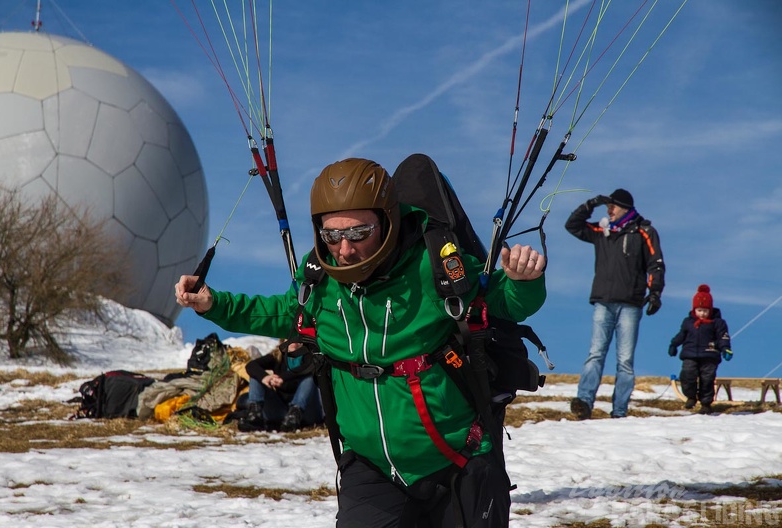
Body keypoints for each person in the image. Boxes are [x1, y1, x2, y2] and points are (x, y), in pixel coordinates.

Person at [175, 157, 547, 527]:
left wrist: (524, 281)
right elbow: (277, 313)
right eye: (331, 235)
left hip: (457, 463)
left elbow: (505, 303)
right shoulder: (318, 280)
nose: (344, 249)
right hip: (371, 469)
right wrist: (212, 303)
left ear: (387, 221)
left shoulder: (431, 266)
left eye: (357, 233)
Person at [565, 189, 665, 419]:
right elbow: (572, 225)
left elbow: (656, 264)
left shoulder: (644, 231)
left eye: (613, 206)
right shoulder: (602, 231)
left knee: (625, 361)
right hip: (603, 302)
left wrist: (655, 293)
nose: (608, 211)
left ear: (626, 209)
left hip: (630, 304)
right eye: (607, 206)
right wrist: (591, 204)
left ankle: (619, 411)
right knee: (595, 354)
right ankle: (584, 403)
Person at [668, 284, 732, 414]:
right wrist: (674, 344)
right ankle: (691, 396)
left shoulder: (718, 323)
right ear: (694, 310)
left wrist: (725, 349)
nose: (702, 314)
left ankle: (706, 403)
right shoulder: (688, 322)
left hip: (709, 356)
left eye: (705, 311)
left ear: (710, 310)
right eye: (699, 310)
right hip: (690, 355)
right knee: (687, 375)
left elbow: (723, 337)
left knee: (707, 379)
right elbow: (682, 335)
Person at [238, 342, 324, 432]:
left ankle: (294, 414)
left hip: (306, 412)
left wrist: (283, 378)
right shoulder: (277, 356)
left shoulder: (309, 355)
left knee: (309, 379)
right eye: (290, 338)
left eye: (297, 338)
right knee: (256, 376)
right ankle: (255, 415)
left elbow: (309, 367)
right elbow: (251, 365)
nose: (293, 341)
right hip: (281, 410)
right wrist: (265, 377)